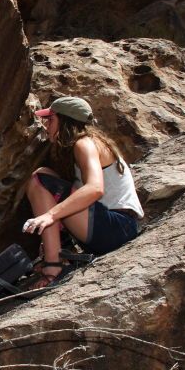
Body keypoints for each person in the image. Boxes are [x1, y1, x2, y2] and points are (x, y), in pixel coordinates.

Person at [23, 96, 143, 289]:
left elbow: (95, 188)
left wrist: (49, 216)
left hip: (116, 228)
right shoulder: (83, 144)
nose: (46, 126)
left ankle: (54, 267)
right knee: (43, 174)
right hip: (111, 229)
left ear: (65, 120)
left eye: (51, 120)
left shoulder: (84, 143)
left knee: (40, 182)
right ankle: (60, 251)